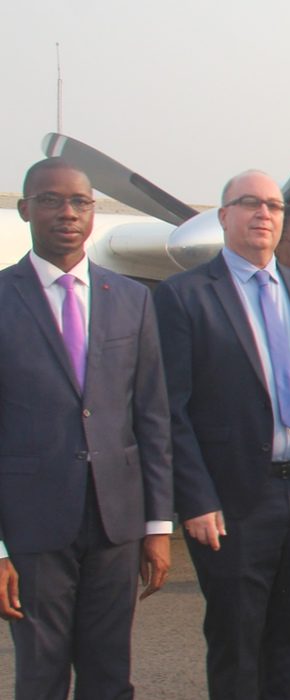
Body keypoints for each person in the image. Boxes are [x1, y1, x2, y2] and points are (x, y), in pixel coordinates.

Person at [154, 170, 290, 700]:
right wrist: (196, 499)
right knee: (236, 639)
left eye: (273, 205)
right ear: (223, 215)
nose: (263, 214)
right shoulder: (184, 297)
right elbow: (171, 410)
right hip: (234, 503)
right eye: (248, 203)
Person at [0, 158, 173, 699]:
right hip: (31, 527)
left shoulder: (133, 299)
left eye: (80, 201)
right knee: (41, 676)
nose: (67, 212)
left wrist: (157, 525)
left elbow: (151, 415)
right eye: (50, 200)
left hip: (115, 522)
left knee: (109, 676)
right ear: (25, 208)